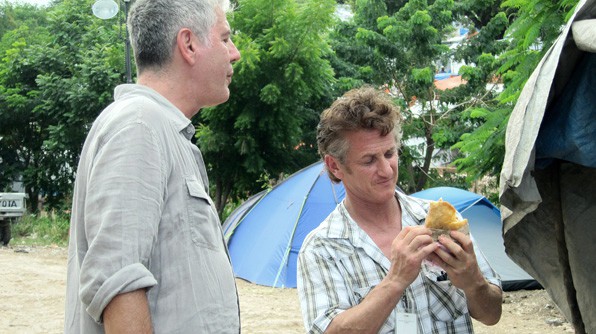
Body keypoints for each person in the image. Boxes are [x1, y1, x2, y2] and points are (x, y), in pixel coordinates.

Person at [64, 0, 241, 333]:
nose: (235, 53)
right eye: (225, 38)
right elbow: (118, 280)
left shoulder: (161, 130)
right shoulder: (140, 125)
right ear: (188, 44)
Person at [297, 87, 503, 334]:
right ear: (335, 166)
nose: (386, 170)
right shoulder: (322, 248)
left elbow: (492, 315)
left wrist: (474, 283)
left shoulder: (441, 221)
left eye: (389, 153)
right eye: (369, 160)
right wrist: (395, 280)